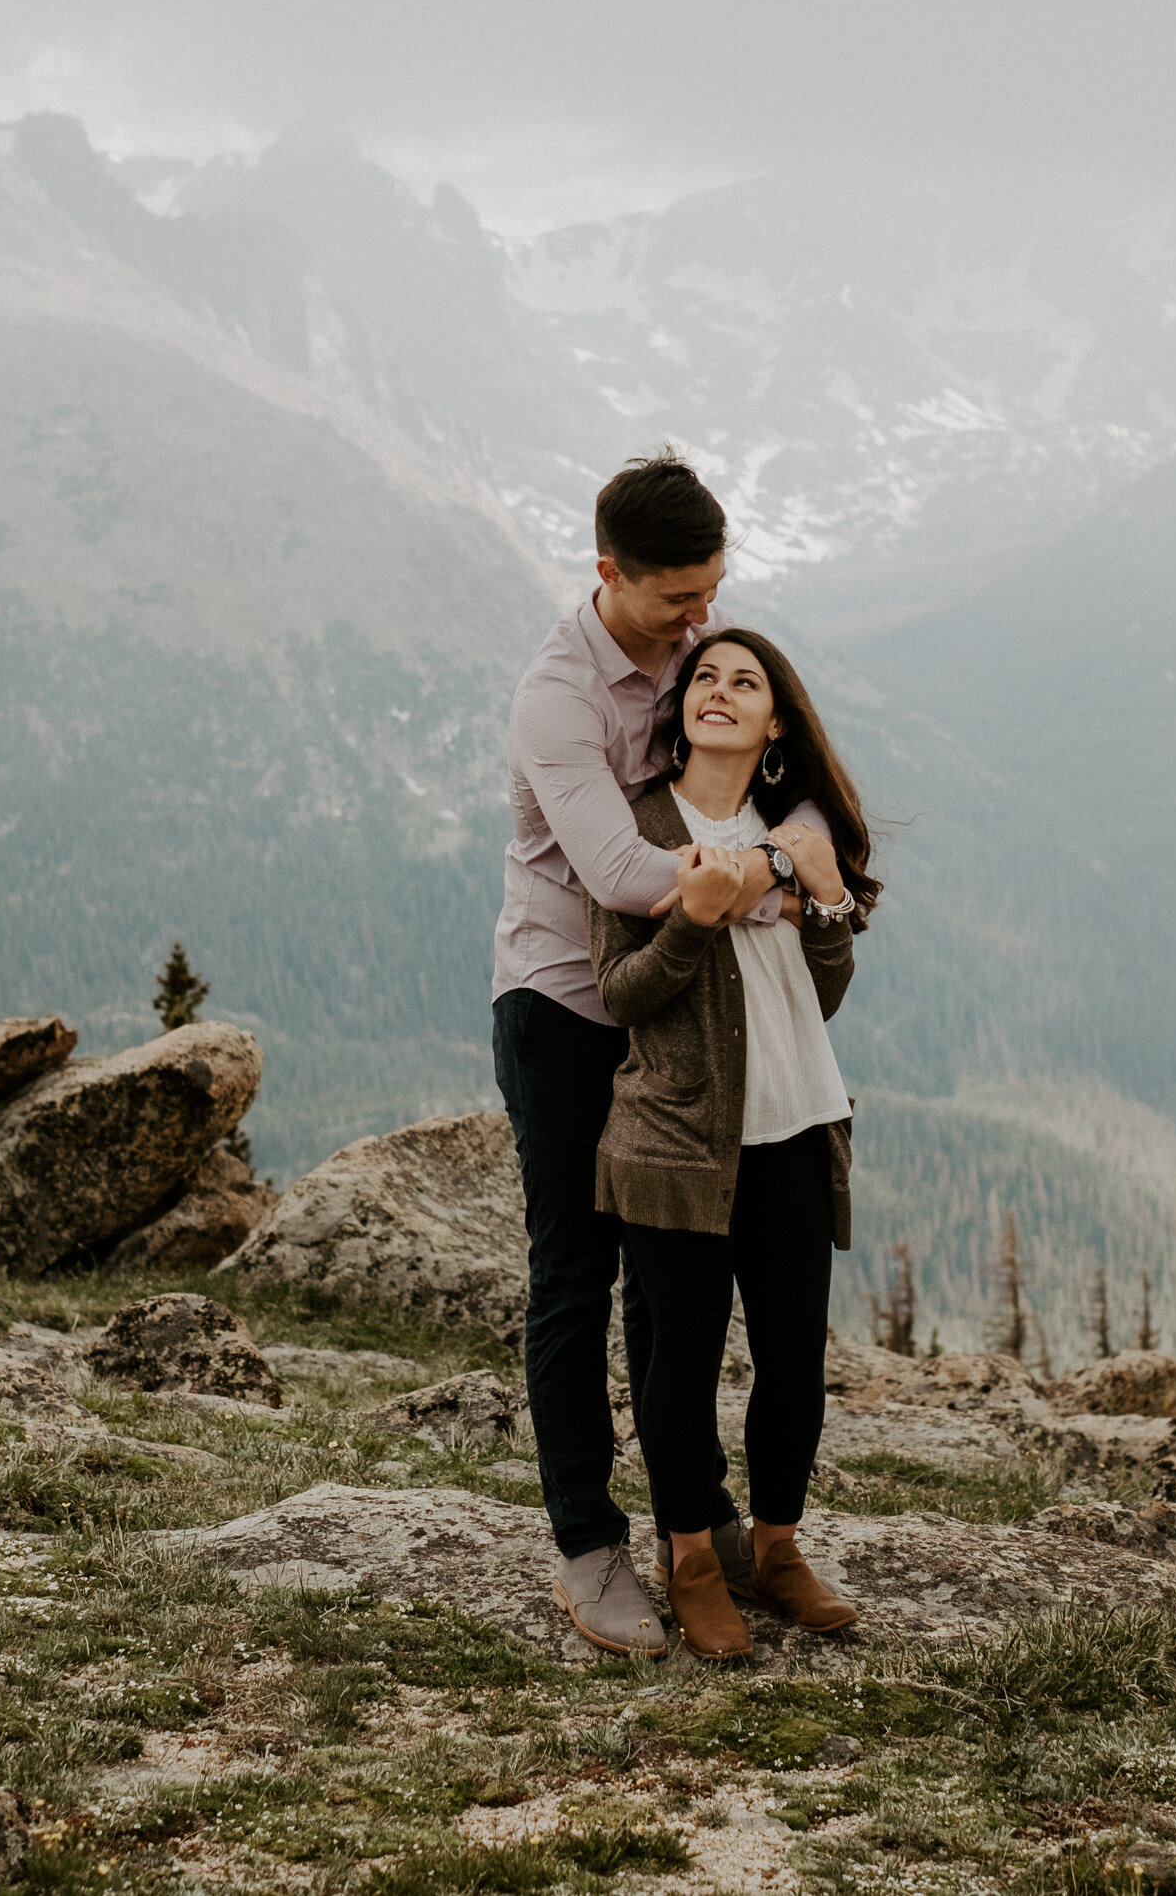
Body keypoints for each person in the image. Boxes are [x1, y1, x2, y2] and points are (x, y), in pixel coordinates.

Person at [492, 453, 792, 1657]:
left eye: (713, 592)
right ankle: (585, 1546)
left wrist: (796, 841)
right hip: (564, 1010)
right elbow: (618, 873)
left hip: (667, 1016)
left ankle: (695, 1516)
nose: (700, 621)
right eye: (677, 599)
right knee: (577, 1273)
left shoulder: (698, 663)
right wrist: (767, 876)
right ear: (608, 573)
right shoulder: (556, 696)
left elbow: (796, 775)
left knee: (677, 1284)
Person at [583, 626, 882, 1659]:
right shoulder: (638, 828)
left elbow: (822, 991)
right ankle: (695, 1564)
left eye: (744, 682)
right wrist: (694, 920)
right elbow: (619, 991)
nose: (719, 690)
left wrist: (829, 897)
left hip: (797, 1121)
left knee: (795, 1356)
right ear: (684, 710)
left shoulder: (790, 831)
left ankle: (780, 1550)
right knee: (684, 1363)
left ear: (775, 721)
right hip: (676, 1141)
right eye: (704, 676)